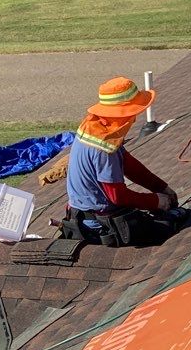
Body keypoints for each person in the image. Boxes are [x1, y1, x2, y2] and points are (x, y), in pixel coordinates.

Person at [64, 76, 179, 243]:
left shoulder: (97, 127)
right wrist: (155, 202)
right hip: (99, 223)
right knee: (169, 226)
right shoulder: (104, 147)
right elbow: (117, 196)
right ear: (125, 113)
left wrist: (161, 187)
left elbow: (129, 164)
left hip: (88, 213)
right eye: (134, 113)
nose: (134, 119)